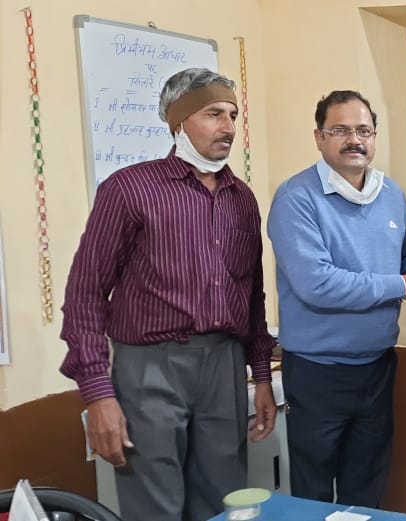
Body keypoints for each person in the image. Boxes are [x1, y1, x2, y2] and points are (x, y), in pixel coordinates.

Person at [60, 67, 277, 521]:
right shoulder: (129, 188)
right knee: (154, 507)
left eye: (233, 115)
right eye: (214, 114)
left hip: (223, 365)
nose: (229, 127)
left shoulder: (242, 199)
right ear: (179, 122)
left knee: (224, 502)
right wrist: (98, 395)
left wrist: (260, 375)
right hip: (148, 369)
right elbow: (85, 293)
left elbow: (252, 295)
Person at [267, 90, 406, 507]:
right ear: (319, 138)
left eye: (363, 130)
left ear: (374, 137)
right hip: (318, 373)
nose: (354, 139)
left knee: (367, 483)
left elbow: (404, 263)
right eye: (340, 130)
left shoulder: (390, 194)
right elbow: (316, 283)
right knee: (314, 489)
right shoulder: (296, 199)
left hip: (376, 368)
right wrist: (404, 287)